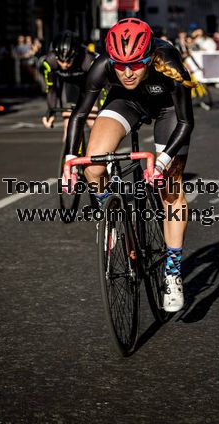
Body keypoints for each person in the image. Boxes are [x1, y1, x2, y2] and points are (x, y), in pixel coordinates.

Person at [63, 18, 196, 312]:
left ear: (150, 57)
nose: (126, 72)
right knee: (93, 167)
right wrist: (70, 159)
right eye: (120, 65)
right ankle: (109, 216)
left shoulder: (170, 64)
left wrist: (162, 162)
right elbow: (79, 115)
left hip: (168, 111)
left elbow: (186, 123)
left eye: (135, 64)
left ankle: (172, 271)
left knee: (170, 190)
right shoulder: (103, 65)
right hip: (126, 103)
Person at [40, 30, 98, 140]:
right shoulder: (50, 61)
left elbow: (101, 86)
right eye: (61, 61)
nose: (65, 65)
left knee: (92, 123)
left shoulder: (87, 59)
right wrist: (51, 112)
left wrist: (101, 107)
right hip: (69, 88)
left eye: (69, 61)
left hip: (88, 87)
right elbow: (51, 89)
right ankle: (69, 156)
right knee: (68, 129)